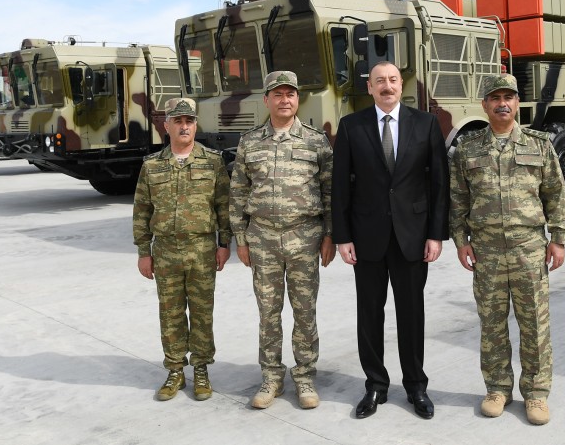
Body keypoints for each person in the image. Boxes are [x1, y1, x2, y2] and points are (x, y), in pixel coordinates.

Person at [449, 74, 565, 425]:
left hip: (528, 248)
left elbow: (555, 193)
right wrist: (461, 240)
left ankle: (536, 392)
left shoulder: (539, 144)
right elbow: (458, 198)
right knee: (491, 323)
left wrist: (558, 238)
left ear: (517, 103)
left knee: (534, 323)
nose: (502, 103)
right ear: (485, 104)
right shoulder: (468, 148)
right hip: (486, 250)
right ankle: (497, 388)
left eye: (508, 97)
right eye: (495, 98)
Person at [332, 61, 449, 420]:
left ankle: (416, 386)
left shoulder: (426, 123)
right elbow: (340, 186)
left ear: (401, 85)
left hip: (412, 236)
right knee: (369, 315)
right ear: (370, 87)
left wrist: (436, 234)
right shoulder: (351, 126)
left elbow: (439, 183)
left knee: (411, 314)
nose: (387, 86)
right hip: (366, 237)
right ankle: (375, 385)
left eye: (393, 80)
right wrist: (342, 237)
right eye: (379, 80)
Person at [229, 71, 335, 410]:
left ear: (298, 99)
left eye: (290, 94)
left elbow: (330, 191)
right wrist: (240, 239)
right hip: (262, 239)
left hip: (305, 237)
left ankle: (304, 376)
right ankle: (271, 377)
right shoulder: (249, 142)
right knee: (268, 312)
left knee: (305, 311)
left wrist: (330, 235)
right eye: (277, 94)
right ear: (267, 100)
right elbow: (238, 192)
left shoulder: (316, 141)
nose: (284, 100)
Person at [133, 97, 231, 402]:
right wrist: (144, 251)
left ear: (195, 125)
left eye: (189, 121)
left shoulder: (212, 162)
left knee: (202, 312)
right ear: (167, 126)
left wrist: (224, 244)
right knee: (170, 312)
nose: (184, 126)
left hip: (202, 249)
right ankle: (175, 369)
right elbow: (141, 210)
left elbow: (224, 206)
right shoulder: (151, 165)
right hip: (165, 251)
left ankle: (201, 368)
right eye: (178, 121)